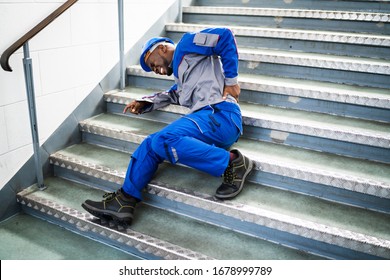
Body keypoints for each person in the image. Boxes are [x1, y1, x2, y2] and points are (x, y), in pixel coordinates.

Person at [82, 27, 253, 225]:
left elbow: (224, 36)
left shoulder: (187, 44)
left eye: (151, 63)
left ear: (162, 48)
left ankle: (233, 162)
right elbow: (172, 94)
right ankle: (124, 201)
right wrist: (144, 103)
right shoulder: (182, 79)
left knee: (164, 139)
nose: (155, 70)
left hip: (221, 114)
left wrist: (231, 80)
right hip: (206, 123)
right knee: (150, 144)